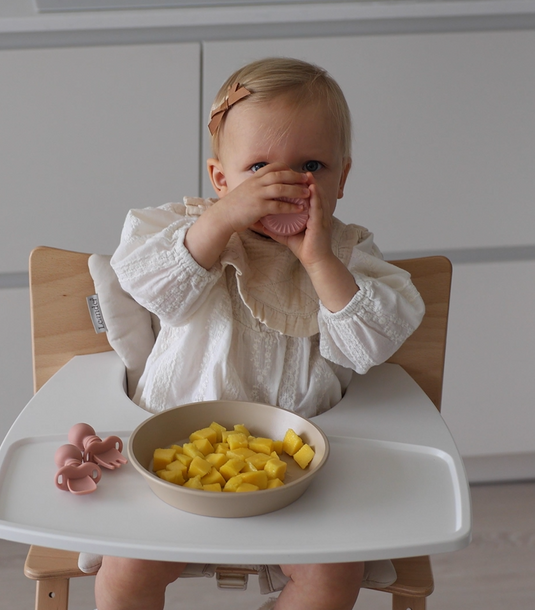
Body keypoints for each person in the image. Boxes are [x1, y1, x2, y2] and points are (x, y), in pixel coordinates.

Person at [95, 57, 425, 610]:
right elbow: (152, 291)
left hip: (303, 473)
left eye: (312, 165)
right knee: (125, 569)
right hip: (172, 463)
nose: (286, 184)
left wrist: (320, 262)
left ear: (342, 178)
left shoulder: (348, 254)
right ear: (221, 178)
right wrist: (220, 221)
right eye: (259, 169)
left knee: (333, 581)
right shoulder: (191, 232)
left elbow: (370, 346)